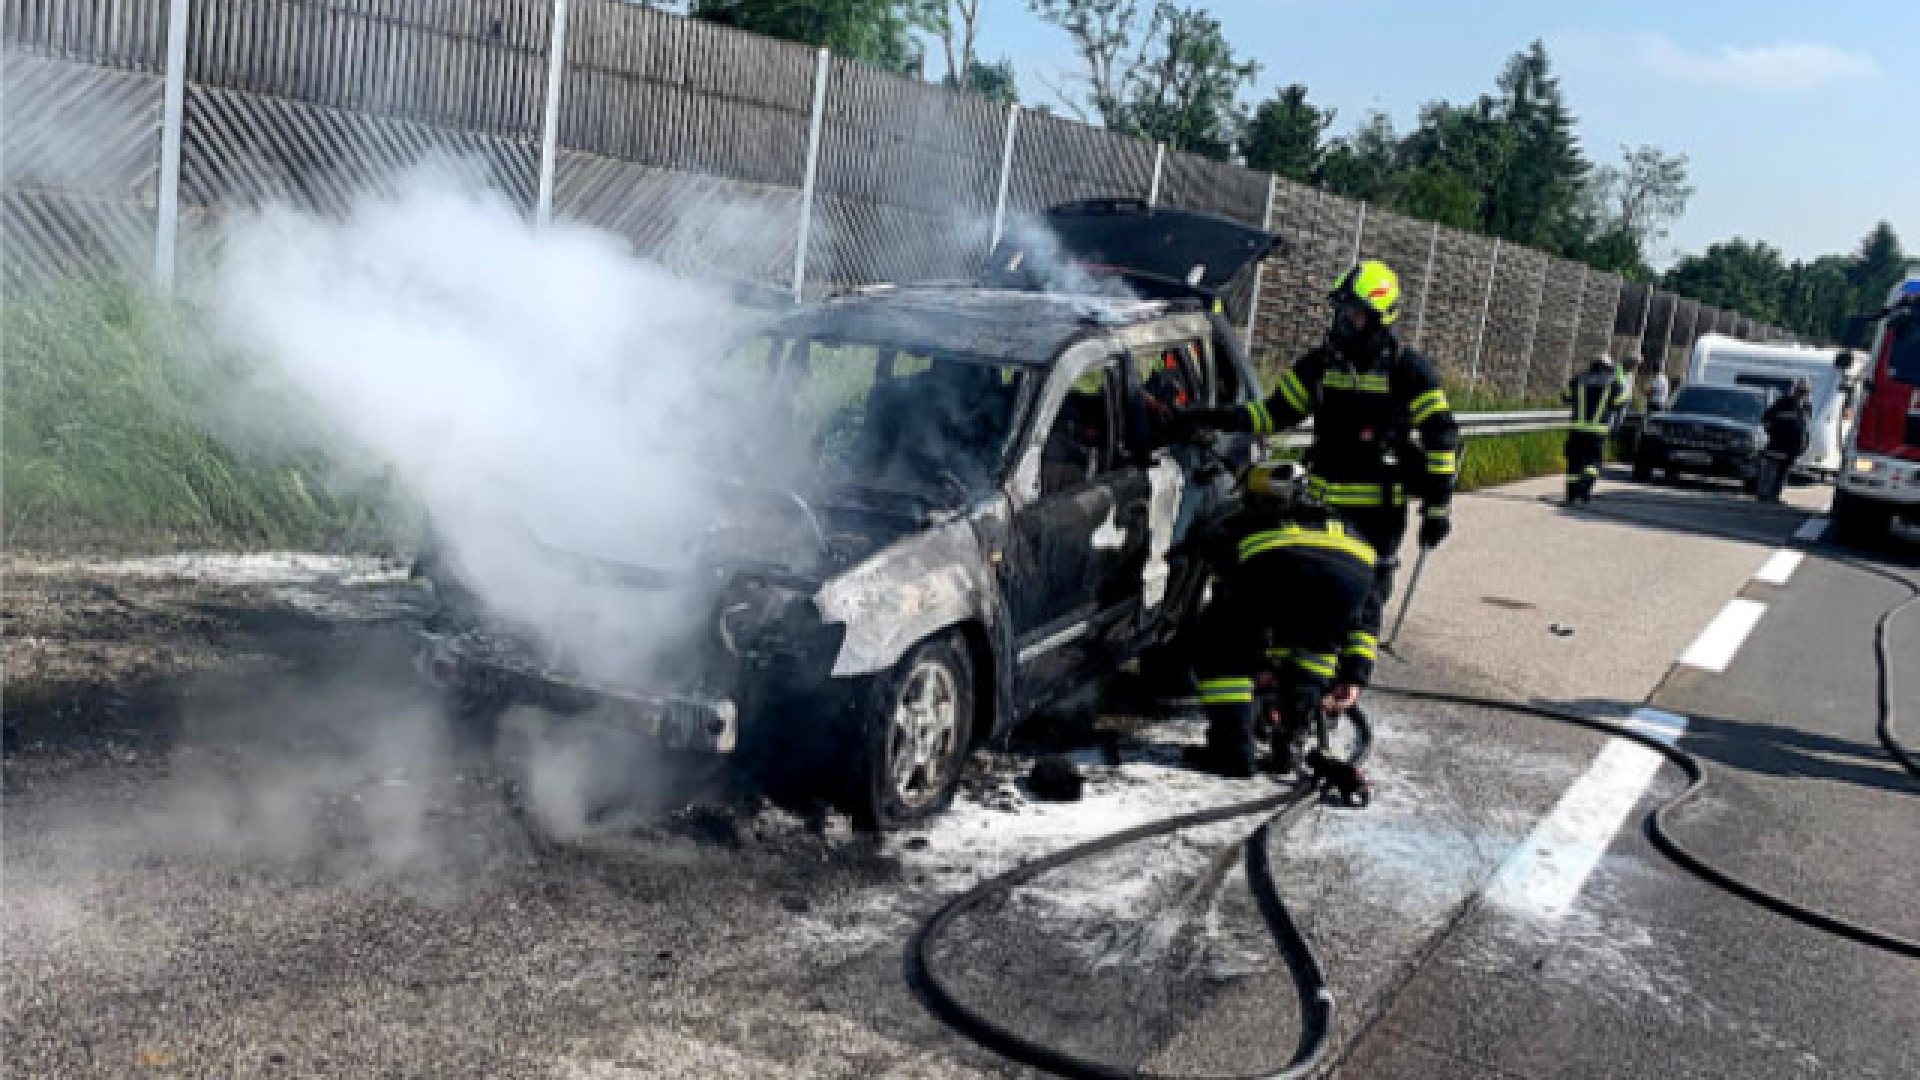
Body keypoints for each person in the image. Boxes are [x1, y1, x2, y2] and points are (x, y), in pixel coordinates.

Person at [1162, 260, 1460, 713]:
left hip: (1378, 511)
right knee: (1309, 595)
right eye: (1341, 312)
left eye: (1354, 314)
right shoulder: (1322, 364)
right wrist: (1212, 418)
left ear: (1380, 317)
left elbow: (1442, 435)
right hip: (1321, 504)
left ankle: (1346, 685)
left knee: (1365, 597)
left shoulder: (1409, 372)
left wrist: (1437, 508)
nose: (1343, 323)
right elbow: (1275, 414)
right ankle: (1295, 687)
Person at [1185, 463, 1376, 778]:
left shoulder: (1246, 523)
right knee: (1315, 650)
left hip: (1279, 571)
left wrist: (1255, 662)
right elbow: (1367, 616)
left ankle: (1232, 753)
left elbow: (1238, 603)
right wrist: (1355, 674)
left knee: (1220, 646)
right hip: (1349, 581)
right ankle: (1290, 741)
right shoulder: (1340, 524)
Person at [1563, 353, 1628, 504]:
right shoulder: (1612, 382)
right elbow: (1621, 401)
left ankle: (1571, 495)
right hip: (1597, 432)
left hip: (1577, 430)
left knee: (1574, 462)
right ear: (1607, 367)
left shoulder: (1579, 379)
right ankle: (1584, 487)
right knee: (1593, 462)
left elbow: (1566, 396)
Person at [1757, 379, 1812, 503]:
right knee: (1770, 470)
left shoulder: (1807, 407)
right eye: (1800, 390)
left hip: (1792, 448)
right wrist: (1773, 432)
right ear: (1795, 390)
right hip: (1777, 444)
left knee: (1783, 473)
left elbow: (1805, 428)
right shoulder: (1783, 402)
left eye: (1805, 391)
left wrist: (1804, 444)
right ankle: (1764, 494)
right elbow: (1766, 418)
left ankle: (1776, 495)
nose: (1802, 394)